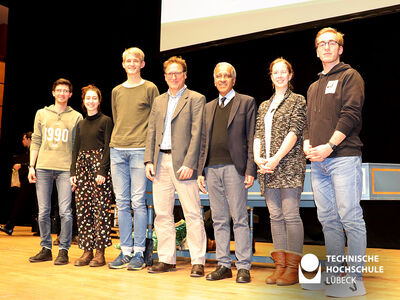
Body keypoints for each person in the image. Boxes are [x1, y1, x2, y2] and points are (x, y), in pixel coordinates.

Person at [302, 27, 367, 297]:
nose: (327, 47)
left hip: (343, 158)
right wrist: (307, 143)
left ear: (340, 49)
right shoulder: (313, 86)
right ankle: (337, 274)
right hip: (318, 163)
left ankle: (354, 280)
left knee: (350, 218)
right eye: (322, 43)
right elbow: (307, 123)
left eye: (332, 43)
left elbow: (351, 114)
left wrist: (329, 145)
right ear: (317, 50)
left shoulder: (351, 76)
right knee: (327, 219)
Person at [145, 56, 206, 277]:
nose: (173, 76)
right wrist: (148, 160)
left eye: (177, 72)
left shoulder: (196, 99)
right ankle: (166, 259)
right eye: (169, 73)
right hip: (160, 162)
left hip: (184, 164)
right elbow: (151, 131)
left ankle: (198, 260)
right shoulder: (159, 101)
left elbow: (197, 133)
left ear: (185, 75)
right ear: (165, 76)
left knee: (192, 213)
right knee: (162, 214)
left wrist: (191, 163)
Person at [197, 62, 256, 283]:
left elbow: (252, 138)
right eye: (219, 76)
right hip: (211, 169)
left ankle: (243, 266)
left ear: (234, 79)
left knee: (240, 218)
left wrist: (251, 168)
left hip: (235, 168)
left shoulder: (246, 102)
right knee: (219, 219)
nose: (222, 79)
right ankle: (223, 265)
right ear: (214, 80)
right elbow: (204, 141)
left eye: (227, 76)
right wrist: (201, 170)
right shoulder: (208, 106)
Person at [253, 58, 306, 286]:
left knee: (290, 215)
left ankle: (293, 268)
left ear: (290, 75)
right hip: (266, 168)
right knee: (275, 217)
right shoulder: (264, 105)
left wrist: (276, 158)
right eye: (275, 72)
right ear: (271, 76)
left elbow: (295, 131)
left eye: (284, 72)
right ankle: (280, 267)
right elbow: (257, 134)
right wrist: (258, 158)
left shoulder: (298, 100)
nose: (279, 75)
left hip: (289, 165)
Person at [108, 47, 159, 270]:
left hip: (140, 151)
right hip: (117, 150)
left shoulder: (150, 88)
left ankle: (139, 252)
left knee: (138, 202)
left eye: (135, 60)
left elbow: (156, 122)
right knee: (121, 203)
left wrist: (150, 155)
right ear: (123, 64)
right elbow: (118, 118)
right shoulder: (116, 91)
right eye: (127, 60)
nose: (131, 63)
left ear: (142, 64)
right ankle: (125, 251)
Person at [28, 78, 83, 265]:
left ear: (70, 94)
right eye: (58, 90)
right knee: (43, 211)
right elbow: (35, 141)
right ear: (53, 93)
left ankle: (64, 250)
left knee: (65, 212)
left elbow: (77, 147)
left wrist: (76, 173)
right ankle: (46, 248)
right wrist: (31, 166)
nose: (61, 93)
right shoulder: (42, 113)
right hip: (43, 167)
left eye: (65, 91)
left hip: (65, 170)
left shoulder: (76, 117)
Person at [70, 85, 113, 267]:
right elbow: (76, 149)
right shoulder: (80, 123)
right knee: (83, 210)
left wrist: (102, 171)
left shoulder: (106, 121)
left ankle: (100, 253)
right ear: (83, 101)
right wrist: (73, 172)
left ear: (99, 100)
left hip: (99, 169)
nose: (91, 101)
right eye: (88, 98)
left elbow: (108, 147)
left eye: (94, 98)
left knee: (101, 211)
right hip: (82, 168)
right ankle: (87, 250)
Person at [1, 132, 36, 236]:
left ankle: (9, 226)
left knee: (20, 202)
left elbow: (35, 164)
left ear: (29, 139)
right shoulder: (29, 151)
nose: (22, 141)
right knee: (27, 203)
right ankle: (10, 226)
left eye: (24, 139)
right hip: (31, 180)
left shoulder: (34, 150)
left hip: (33, 180)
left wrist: (21, 165)